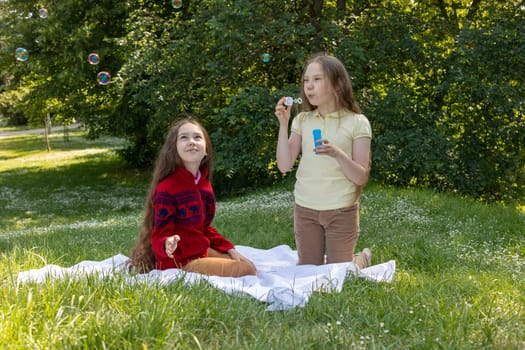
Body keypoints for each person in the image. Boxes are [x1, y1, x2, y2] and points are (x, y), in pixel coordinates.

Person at [274, 53, 372, 269]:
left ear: (337, 84)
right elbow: (284, 165)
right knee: (308, 272)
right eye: (306, 81)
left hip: (341, 210)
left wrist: (337, 154)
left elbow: (360, 176)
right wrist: (283, 124)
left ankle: (361, 259)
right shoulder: (302, 120)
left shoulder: (358, 123)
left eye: (317, 79)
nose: (309, 86)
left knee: (338, 274)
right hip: (305, 209)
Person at [128, 118, 257, 277]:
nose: (191, 141)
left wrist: (229, 249)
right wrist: (167, 244)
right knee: (246, 271)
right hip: (179, 261)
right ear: (173, 148)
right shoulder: (167, 188)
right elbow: (159, 235)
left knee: (248, 265)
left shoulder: (204, 185)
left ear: (206, 150)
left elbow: (204, 228)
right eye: (184, 137)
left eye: (197, 137)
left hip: (199, 251)